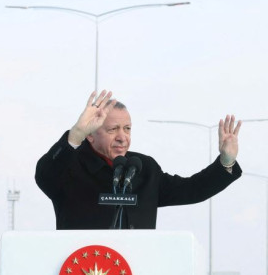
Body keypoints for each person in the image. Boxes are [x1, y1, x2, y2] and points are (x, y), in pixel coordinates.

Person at [36, 90, 243, 230]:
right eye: (112, 129)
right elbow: (45, 176)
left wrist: (225, 162)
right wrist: (76, 134)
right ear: (91, 134)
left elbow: (191, 189)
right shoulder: (71, 167)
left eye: (127, 129)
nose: (122, 137)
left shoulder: (143, 169)